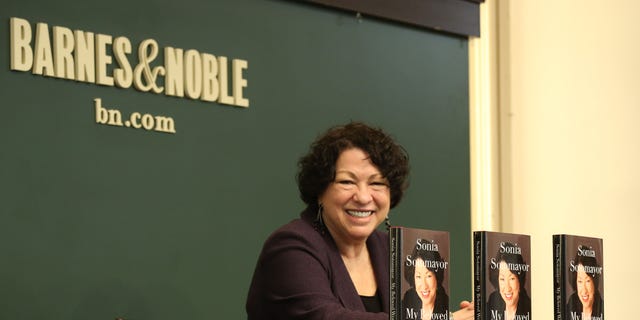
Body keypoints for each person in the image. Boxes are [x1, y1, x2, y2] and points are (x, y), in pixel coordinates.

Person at [246, 122, 474, 320]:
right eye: (347, 182)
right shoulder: (290, 247)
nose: (364, 197)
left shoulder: (391, 250)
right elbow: (325, 317)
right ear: (320, 191)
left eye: (376, 184)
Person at [402, 238, 449, 320]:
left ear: (437, 276)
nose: (424, 286)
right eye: (418, 276)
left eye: (429, 276)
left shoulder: (446, 304)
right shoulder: (407, 301)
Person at [486, 242, 531, 320]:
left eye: (512, 278)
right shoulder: (492, 301)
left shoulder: (529, 308)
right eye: (502, 279)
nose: (507, 288)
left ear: (519, 280)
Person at [565, 246, 604, 320]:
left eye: (588, 281)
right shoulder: (570, 306)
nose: (584, 290)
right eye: (580, 281)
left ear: (594, 281)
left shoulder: (602, 308)